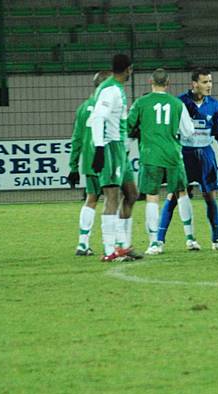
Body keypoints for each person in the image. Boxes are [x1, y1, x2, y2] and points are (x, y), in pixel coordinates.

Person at [157, 67, 218, 251]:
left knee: (210, 197)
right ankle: (159, 240)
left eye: (210, 81)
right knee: (174, 196)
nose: (209, 85)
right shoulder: (179, 103)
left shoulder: (214, 105)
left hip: (206, 154)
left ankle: (217, 240)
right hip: (184, 154)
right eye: (205, 82)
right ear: (194, 84)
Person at [127, 68, 196, 255]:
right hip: (173, 155)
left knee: (152, 196)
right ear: (168, 83)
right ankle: (190, 239)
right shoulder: (177, 104)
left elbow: (128, 127)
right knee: (181, 192)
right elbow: (189, 131)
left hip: (150, 156)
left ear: (151, 81)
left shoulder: (141, 103)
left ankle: (154, 243)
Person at [86, 54, 140, 261]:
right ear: (129, 69)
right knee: (112, 197)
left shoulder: (115, 88)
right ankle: (110, 251)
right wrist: (100, 149)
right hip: (109, 148)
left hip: (119, 150)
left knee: (132, 193)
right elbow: (98, 117)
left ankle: (123, 245)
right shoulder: (111, 90)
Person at [67, 71, 112, 256]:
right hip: (108, 159)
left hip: (89, 162)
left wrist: (73, 167)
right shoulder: (110, 106)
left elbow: (76, 138)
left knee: (91, 199)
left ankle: (82, 243)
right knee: (113, 200)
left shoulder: (83, 108)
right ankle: (111, 245)